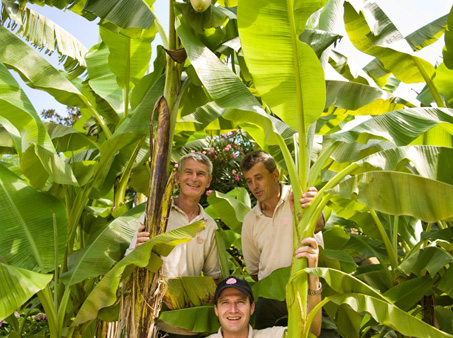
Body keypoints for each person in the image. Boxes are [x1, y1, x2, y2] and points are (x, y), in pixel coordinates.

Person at [240, 150, 325, 328]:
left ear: (275, 175)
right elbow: (253, 269)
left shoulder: (298, 196)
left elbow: (318, 225)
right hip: (269, 300)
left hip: (307, 290)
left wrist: (313, 204)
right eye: (249, 181)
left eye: (259, 177)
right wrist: (275, 285)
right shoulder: (250, 220)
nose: (254, 186)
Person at [126, 152, 221, 280]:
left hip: (189, 298)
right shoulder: (155, 213)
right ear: (177, 177)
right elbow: (127, 263)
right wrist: (137, 250)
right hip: (152, 297)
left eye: (200, 174)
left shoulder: (209, 225)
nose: (194, 178)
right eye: (188, 172)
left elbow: (213, 276)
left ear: (208, 181)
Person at [208, 237, 322, 338]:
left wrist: (313, 272)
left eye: (240, 302)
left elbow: (310, 331)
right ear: (216, 310)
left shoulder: (271, 335)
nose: (233, 310)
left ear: (252, 307)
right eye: (225, 303)